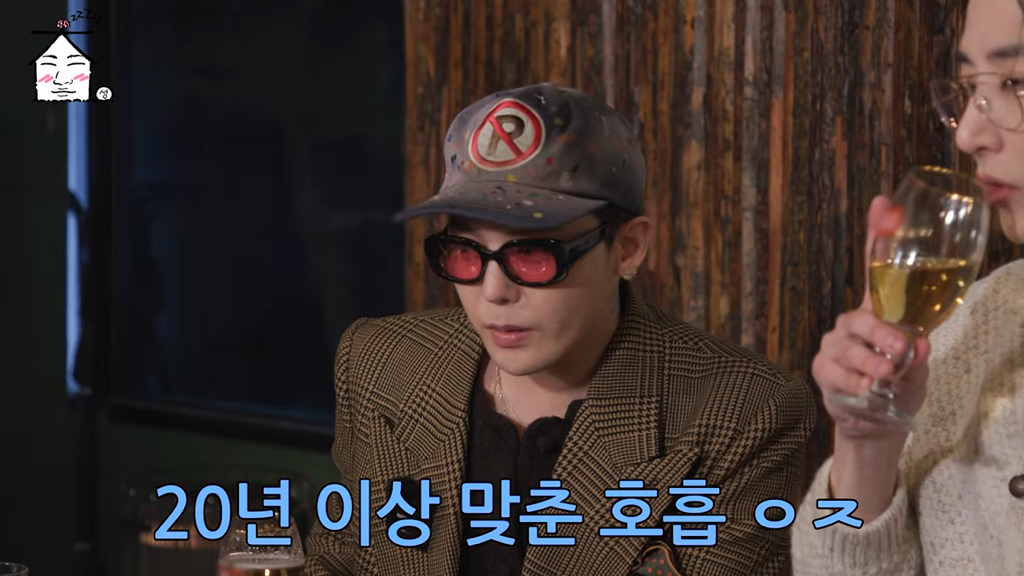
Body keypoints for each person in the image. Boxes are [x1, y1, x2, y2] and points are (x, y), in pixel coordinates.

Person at [304, 82, 817, 575]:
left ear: (627, 248)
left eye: (533, 254)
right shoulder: (380, 362)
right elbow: (339, 560)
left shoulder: (745, 412)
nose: (493, 291)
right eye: (465, 252)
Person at [791, 0, 1024, 574]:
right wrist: (866, 446)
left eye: (1017, 83)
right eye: (970, 87)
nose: (970, 134)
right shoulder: (971, 327)